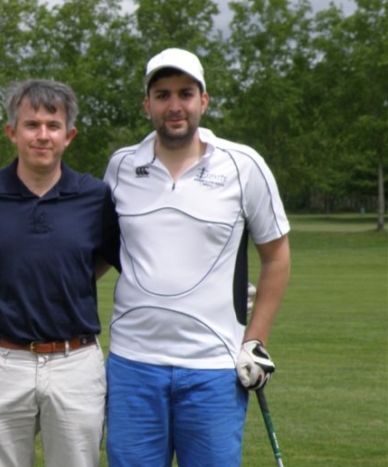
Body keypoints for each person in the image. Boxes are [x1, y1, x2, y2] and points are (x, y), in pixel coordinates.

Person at [103, 48, 291, 467]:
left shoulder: (244, 165)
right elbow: (105, 252)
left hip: (214, 369)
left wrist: (255, 340)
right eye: (163, 94)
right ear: (147, 104)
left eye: (185, 93)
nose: (174, 106)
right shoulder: (120, 167)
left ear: (203, 101)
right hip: (133, 365)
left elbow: (276, 256)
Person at [0, 79, 120, 467]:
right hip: (1, 361)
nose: (42, 135)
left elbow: (111, 258)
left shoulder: (95, 196)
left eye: (53, 126)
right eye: (31, 125)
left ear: (69, 135)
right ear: (11, 132)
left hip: (75, 361)